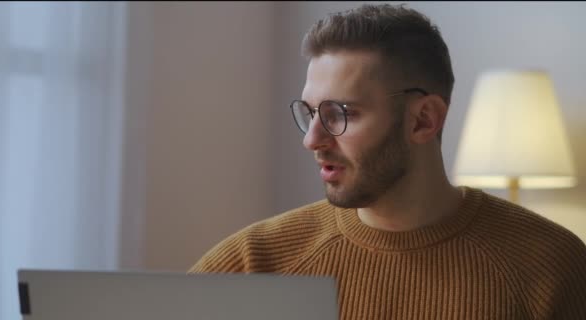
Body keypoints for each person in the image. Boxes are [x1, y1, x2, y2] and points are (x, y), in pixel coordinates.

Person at [189, 4, 586, 319]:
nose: (312, 139)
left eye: (340, 113)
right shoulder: (257, 262)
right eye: (310, 112)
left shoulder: (551, 266)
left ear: (424, 119)